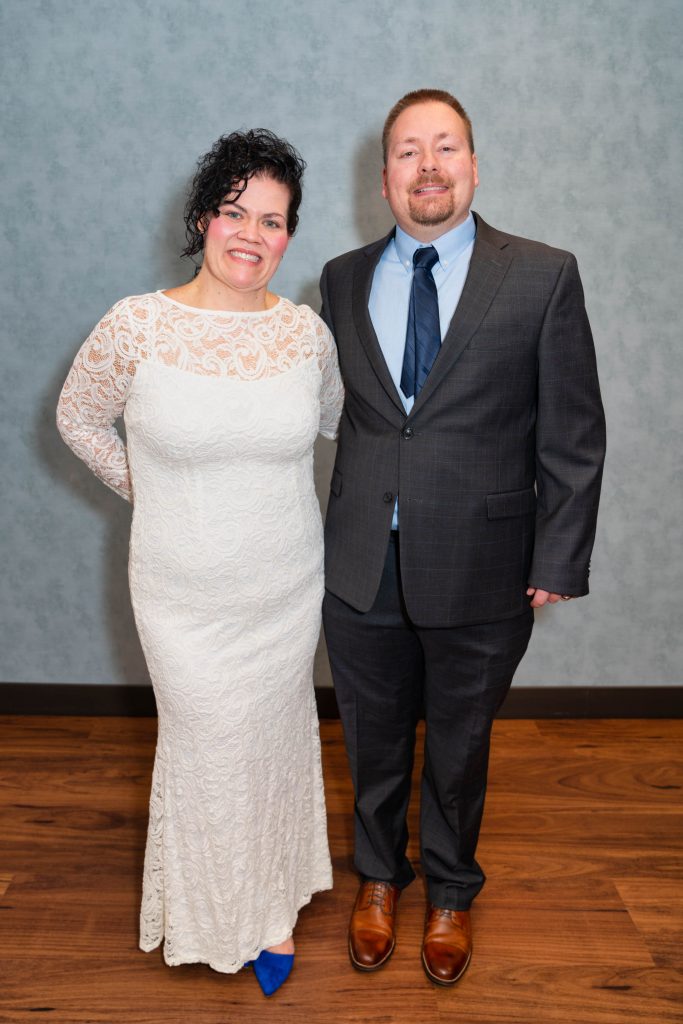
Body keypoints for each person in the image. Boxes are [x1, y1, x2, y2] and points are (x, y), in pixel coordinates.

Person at [320, 89, 606, 986]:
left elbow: (573, 432)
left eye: (445, 147)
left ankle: (450, 890)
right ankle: (378, 878)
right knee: (370, 740)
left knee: (458, 744)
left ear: (473, 166)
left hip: (485, 561)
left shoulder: (542, 275)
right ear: (383, 178)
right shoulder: (338, 278)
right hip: (360, 561)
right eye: (408, 151)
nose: (428, 166)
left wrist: (558, 554)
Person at [57, 129, 343, 997]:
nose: (251, 234)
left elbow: (340, 426)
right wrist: (151, 491)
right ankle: (217, 917)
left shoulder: (306, 336)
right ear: (201, 219)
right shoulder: (135, 324)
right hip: (181, 595)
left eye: (273, 220)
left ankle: (273, 905)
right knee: (211, 747)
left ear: (289, 236)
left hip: (285, 588)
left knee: (271, 742)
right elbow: (77, 419)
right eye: (234, 211)